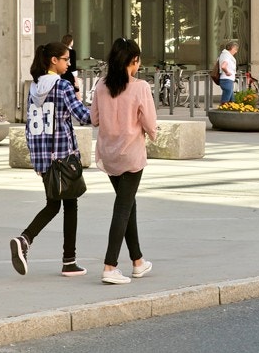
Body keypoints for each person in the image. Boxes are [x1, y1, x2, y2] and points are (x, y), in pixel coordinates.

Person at [10, 42, 92, 277]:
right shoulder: (62, 86)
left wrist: (38, 161)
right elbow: (83, 116)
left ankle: (29, 241)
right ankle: (66, 260)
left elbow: (30, 126)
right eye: (66, 59)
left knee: (56, 204)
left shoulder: (35, 87)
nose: (68, 63)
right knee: (70, 203)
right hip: (64, 156)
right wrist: (104, 108)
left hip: (44, 158)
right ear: (53, 60)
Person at [90, 37, 158, 285]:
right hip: (131, 154)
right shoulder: (140, 87)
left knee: (127, 204)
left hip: (108, 155)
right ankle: (110, 265)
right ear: (133, 61)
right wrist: (153, 133)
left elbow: (94, 119)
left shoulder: (100, 85)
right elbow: (151, 124)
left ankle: (138, 261)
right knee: (123, 207)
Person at [215, 40, 239, 106]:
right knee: (225, 102)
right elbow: (223, 66)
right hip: (227, 79)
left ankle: (231, 113)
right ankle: (222, 113)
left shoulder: (224, 54)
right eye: (236, 49)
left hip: (227, 80)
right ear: (232, 48)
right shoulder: (227, 55)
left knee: (232, 101)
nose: (236, 51)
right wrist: (227, 72)